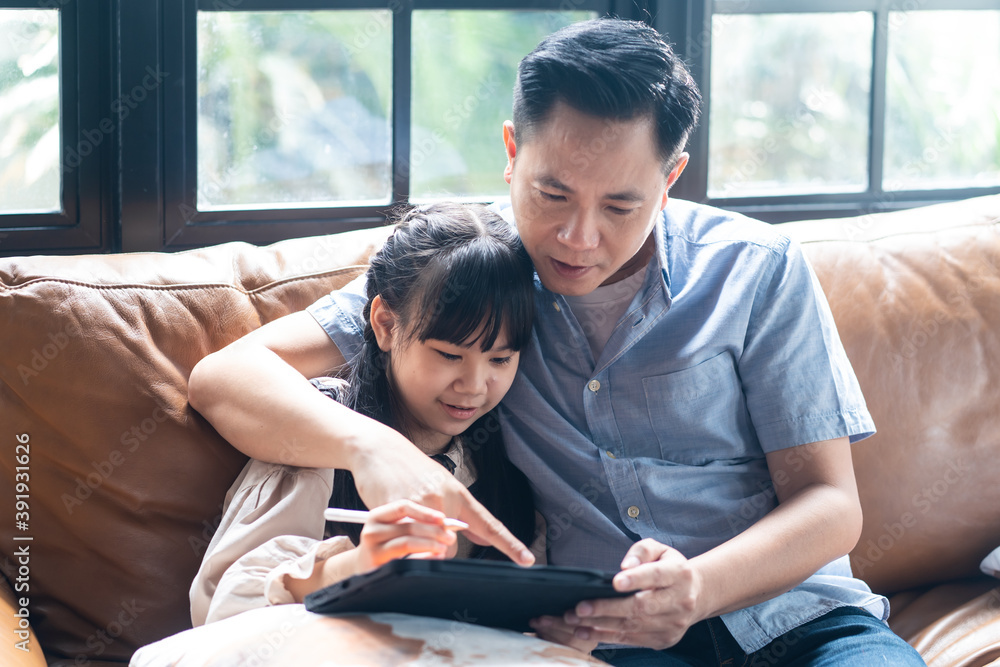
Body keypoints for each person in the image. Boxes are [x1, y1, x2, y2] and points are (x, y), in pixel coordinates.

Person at [188, 18, 926, 666]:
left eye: (619, 205)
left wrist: (697, 589)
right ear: (512, 152)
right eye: (552, 194)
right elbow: (227, 377)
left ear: (670, 177)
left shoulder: (757, 271)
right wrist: (378, 451)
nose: (578, 238)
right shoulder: (476, 271)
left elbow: (831, 503)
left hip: (805, 622)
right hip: (609, 640)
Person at [188, 202, 538, 626]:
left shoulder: (502, 452)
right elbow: (225, 607)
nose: (474, 385)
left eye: (500, 360)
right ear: (386, 325)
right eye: (449, 354)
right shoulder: (317, 427)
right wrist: (357, 567)